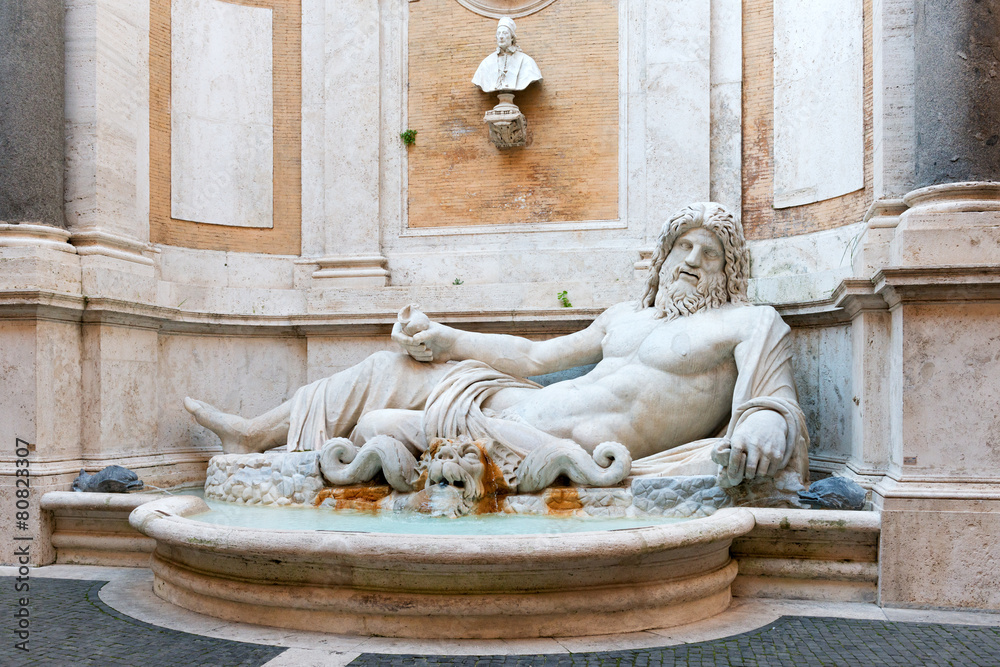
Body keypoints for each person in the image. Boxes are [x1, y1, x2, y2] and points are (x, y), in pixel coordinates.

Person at [186, 203, 808, 488]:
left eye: (710, 251)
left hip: (557, 448)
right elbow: (538, 359)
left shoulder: (748, 324)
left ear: (729, 269)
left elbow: (773, 405)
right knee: (390, 366)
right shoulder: (625, 318)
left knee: (380, 423)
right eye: (683, 246)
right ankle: (256, 434)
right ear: (664, 256)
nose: (693, 260)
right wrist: (448, 338)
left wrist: (764, 430)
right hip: (515, 406)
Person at [472, 17, 543, 94]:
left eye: (505, 33)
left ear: (512, 37)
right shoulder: (487, 63)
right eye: (499, 33)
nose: (501, 36)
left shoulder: (527, 61)